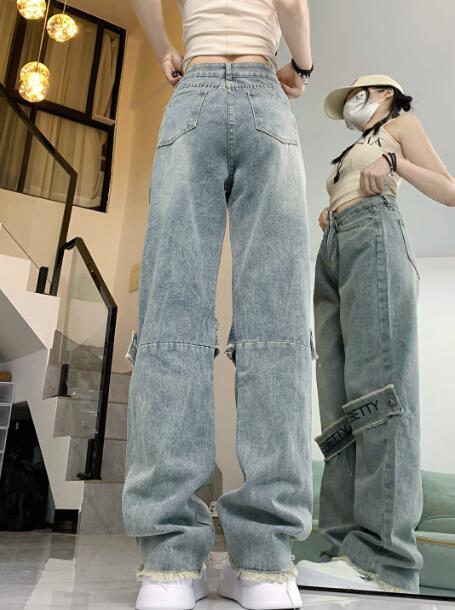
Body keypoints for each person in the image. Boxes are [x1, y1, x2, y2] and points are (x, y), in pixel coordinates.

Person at [122, 1, 316, 609]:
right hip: (266, 94)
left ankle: (169, 569)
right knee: (277, 324)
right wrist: (302, 66)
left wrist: (164, 49)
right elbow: (292, 4)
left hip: (195, 90)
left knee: (171, 317)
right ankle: (265, 568)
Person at [296, 74, 455, 594]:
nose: (351, 105)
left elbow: (449, 190)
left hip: (375, 236)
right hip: (337, 248)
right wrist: (332, 211)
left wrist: (395, 165)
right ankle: (343, 547)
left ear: (385, 93)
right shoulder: (352, 148)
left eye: (358, 95)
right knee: (337, 397)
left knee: (379, 390)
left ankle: (385, 561)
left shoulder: (401, 126)